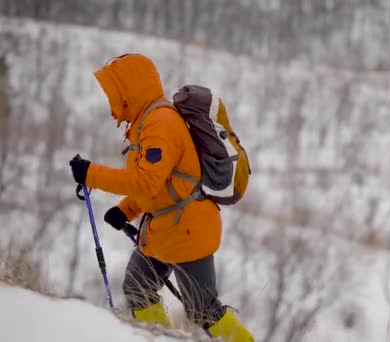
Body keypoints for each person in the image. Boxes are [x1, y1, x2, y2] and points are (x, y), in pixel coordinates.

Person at [69, 53, 254, 341]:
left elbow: (146, 181)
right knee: (137, 288)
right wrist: (125, 210)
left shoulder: (160, 124)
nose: (111, 103)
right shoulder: (147, 123)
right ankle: (157, 337)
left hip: (188, 234)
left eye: (113, 93)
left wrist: (91, 174)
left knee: (204, 311)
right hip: (164, 231)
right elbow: (163, 185)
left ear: (129, 90)